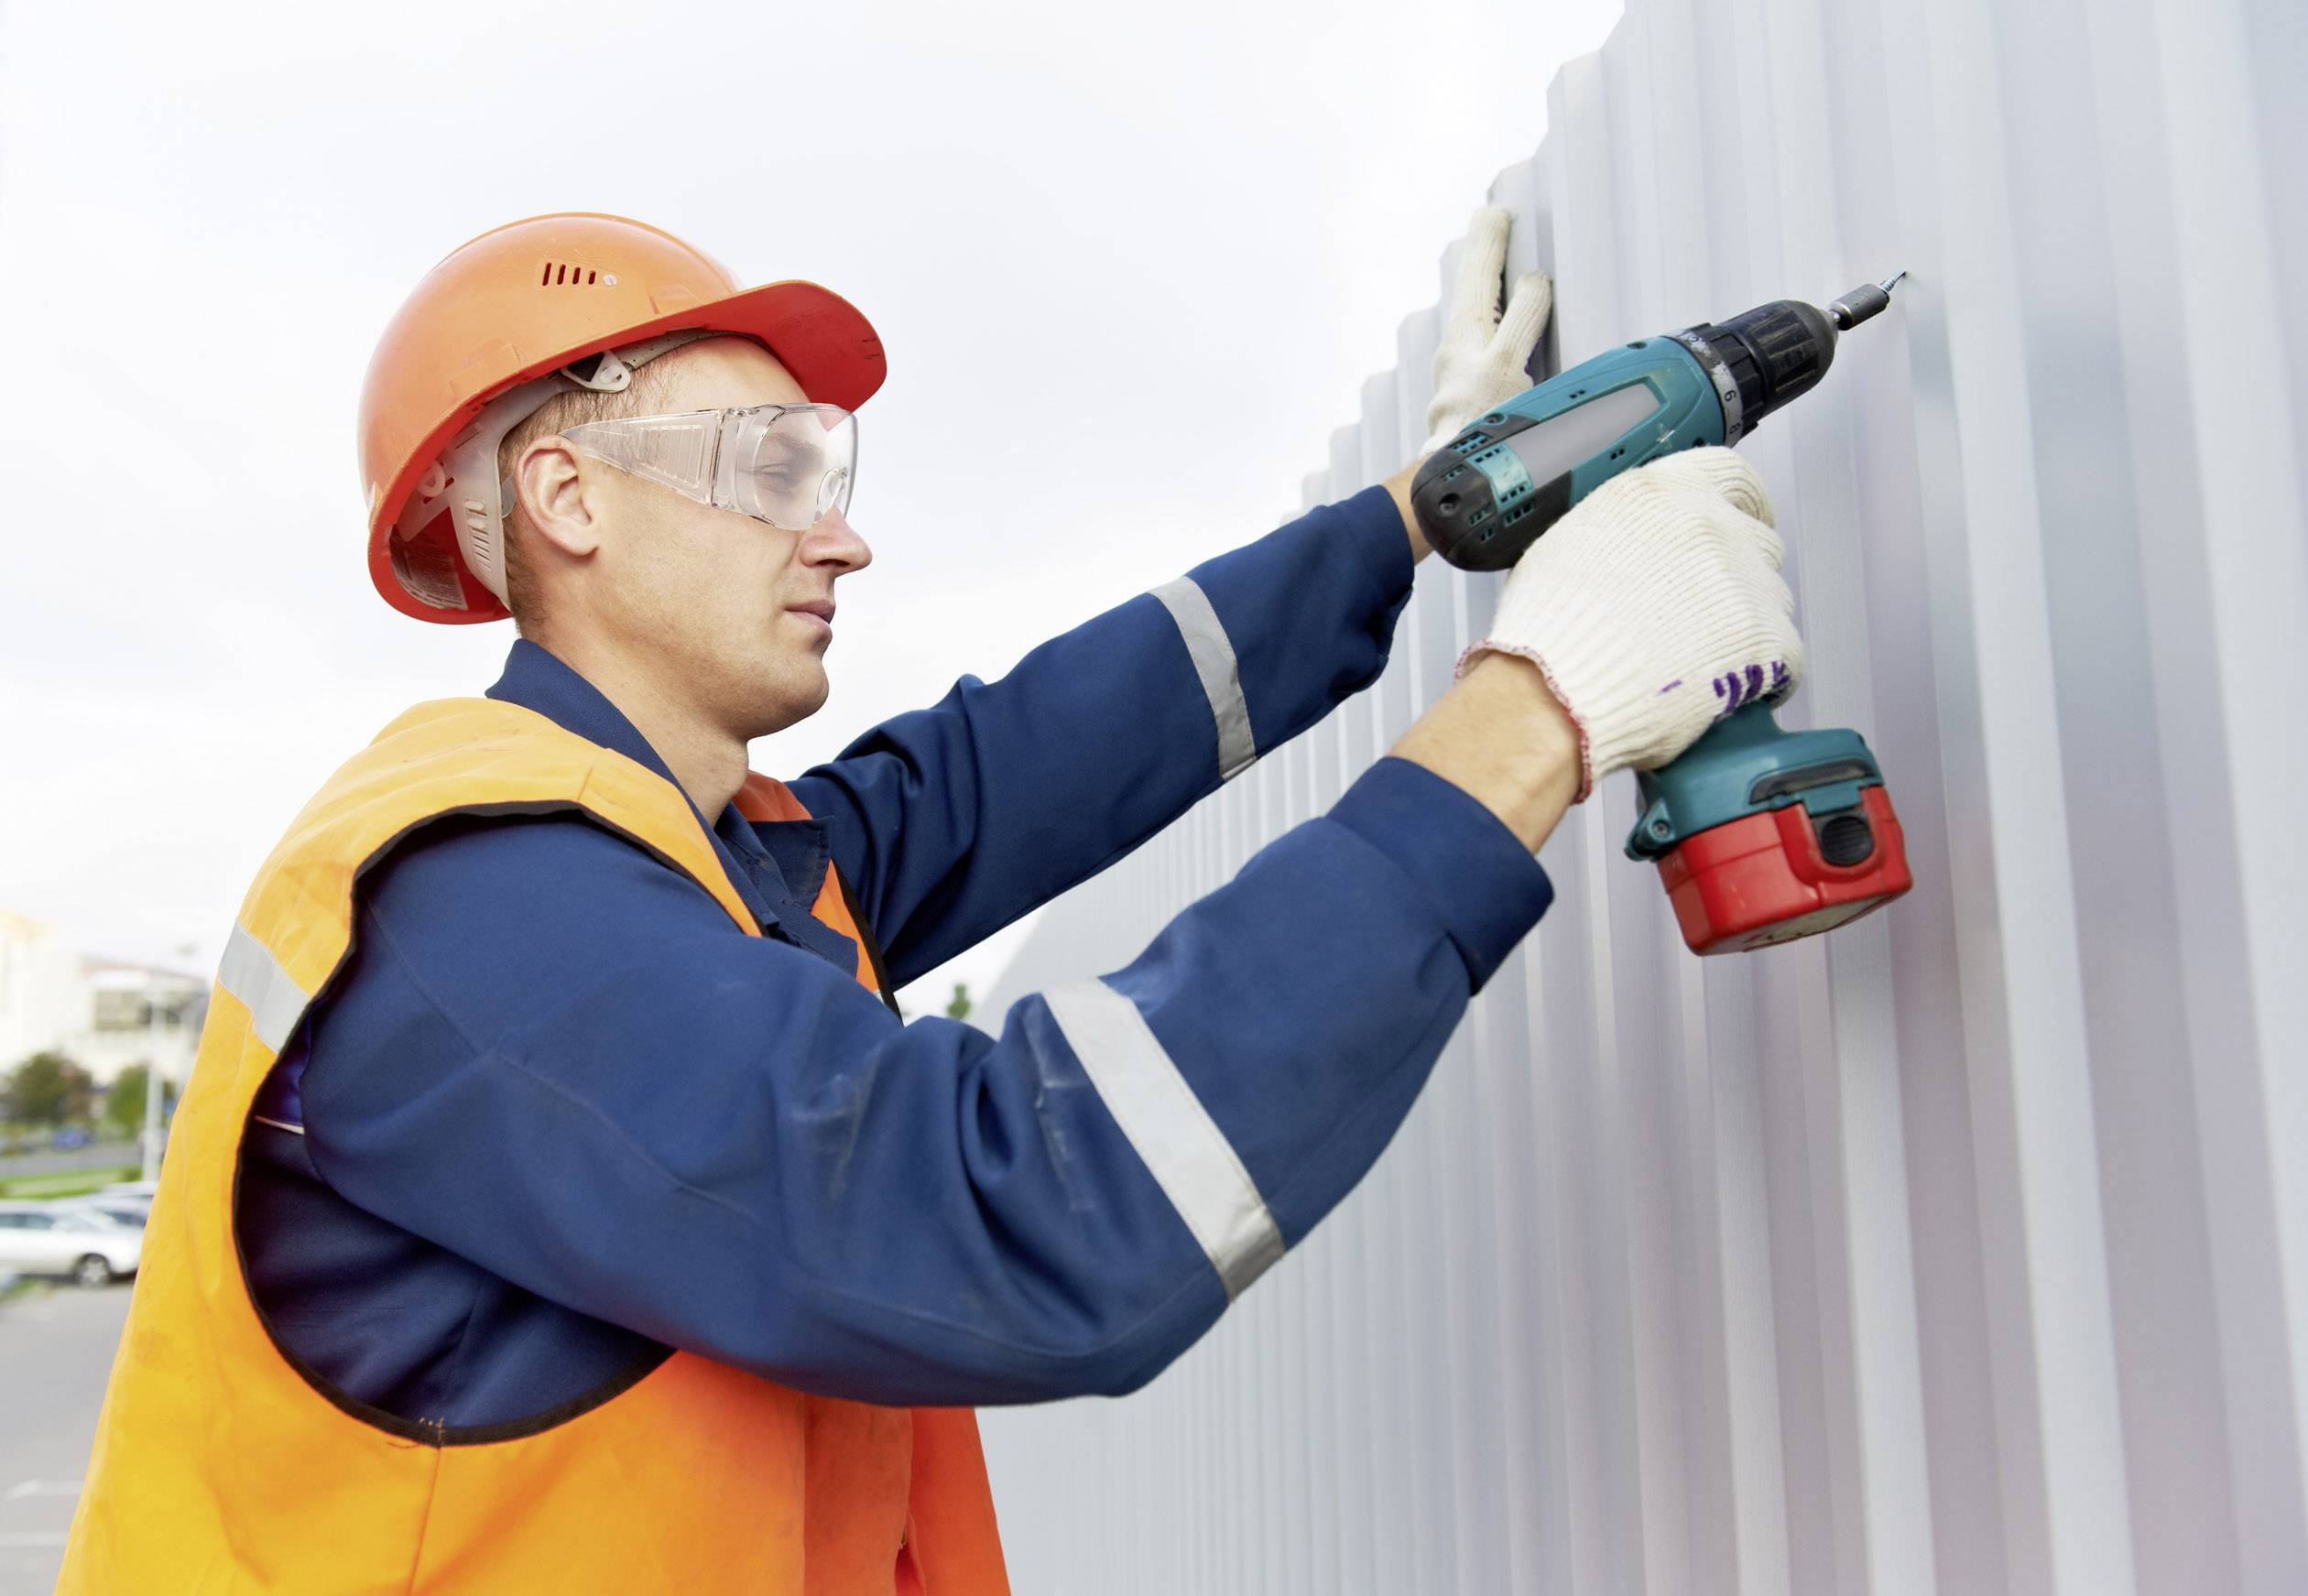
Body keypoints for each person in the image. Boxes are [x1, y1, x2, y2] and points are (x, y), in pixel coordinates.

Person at [60, 208, 1800, 1593]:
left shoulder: (709, 855)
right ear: (567, 495)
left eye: (836, 474)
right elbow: (1021, 1216)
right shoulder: (471, 909)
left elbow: (1025, 754)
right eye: (770, 468)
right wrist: (1541, 710)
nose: (843, 536)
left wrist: (1419, 521)